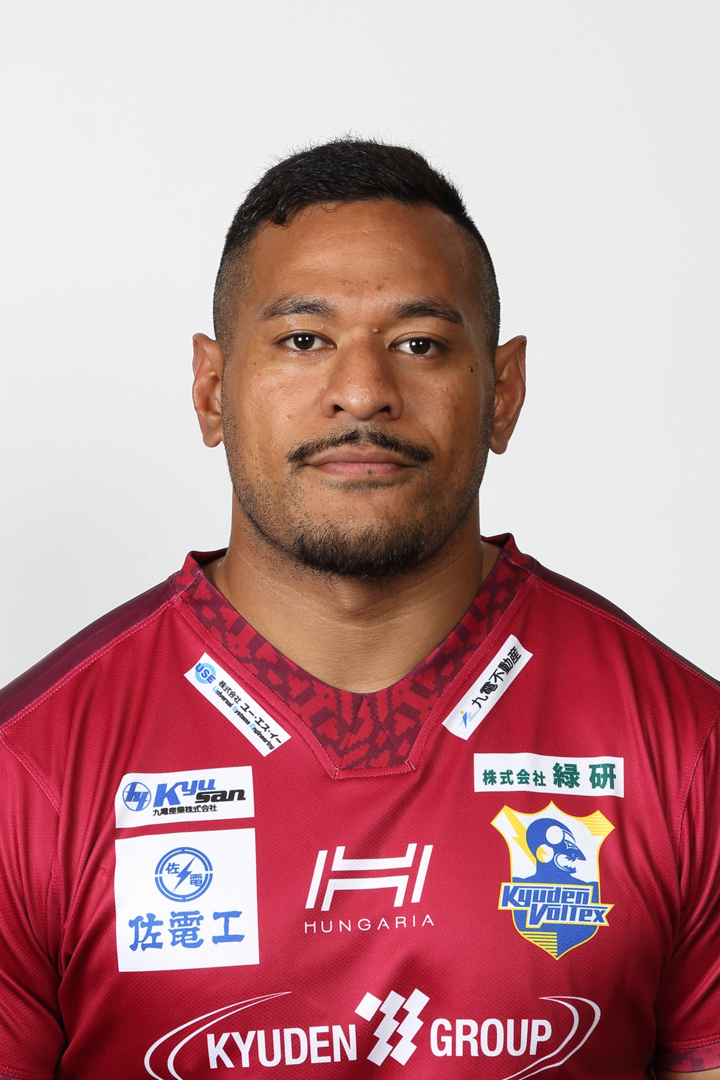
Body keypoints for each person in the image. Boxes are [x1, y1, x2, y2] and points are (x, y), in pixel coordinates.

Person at [0, 139, 717, 1080]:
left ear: (504, 393)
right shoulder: (30, 773)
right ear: (211, 390)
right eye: (304, 340)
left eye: (420, 343)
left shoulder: (688, 748)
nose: (364, 393)